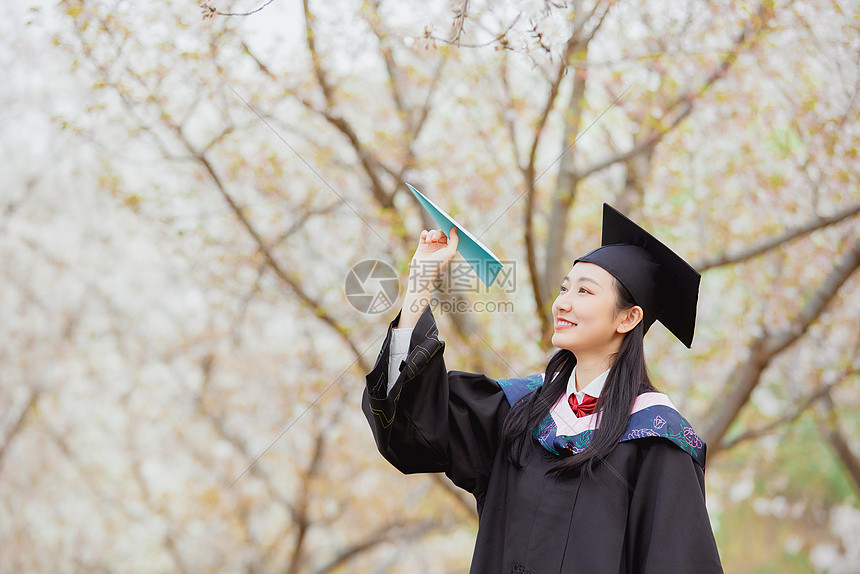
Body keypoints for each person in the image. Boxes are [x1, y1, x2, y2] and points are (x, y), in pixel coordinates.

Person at [361, 204, 723, 573]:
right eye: (565, 287)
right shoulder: (518, 413)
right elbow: (412, 431)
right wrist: (420, 286)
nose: (562, 302)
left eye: (585, 292)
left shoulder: (656, 441)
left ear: (628, 317)